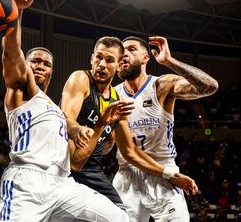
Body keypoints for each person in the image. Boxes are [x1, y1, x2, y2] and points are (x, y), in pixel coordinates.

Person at [0, 0, 129, 221]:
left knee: (119, 218)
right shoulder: (21, 92)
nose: (40, 66)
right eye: (35, 60)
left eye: (47, 64)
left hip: (62, 184)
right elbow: (11, 54)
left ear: (52, 72)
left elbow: (75, 156)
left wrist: (98, 127)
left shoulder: (54, 110)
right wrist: (15, 11)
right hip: (27, 182)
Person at [60, 36, 199, 211]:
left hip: (96, 170)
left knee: (120, 214)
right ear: (91, 58)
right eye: (98, 58)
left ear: (119, 64)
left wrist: (170, 175)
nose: (102, 64)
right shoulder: (81, 78)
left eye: (109, 60)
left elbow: (130, 152)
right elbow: (65, 119)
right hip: (70, 168)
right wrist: (78, 128)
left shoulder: (118, 100)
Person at [113, 36, 219, 221]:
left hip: (165, 172)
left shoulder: (161, 85)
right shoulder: (112, 94)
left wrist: (169, 61)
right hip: (127, 175)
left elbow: (209, 86)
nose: (124, 54)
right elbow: (109, 146)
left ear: (146, 58)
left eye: (131, 49)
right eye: (122, 51)